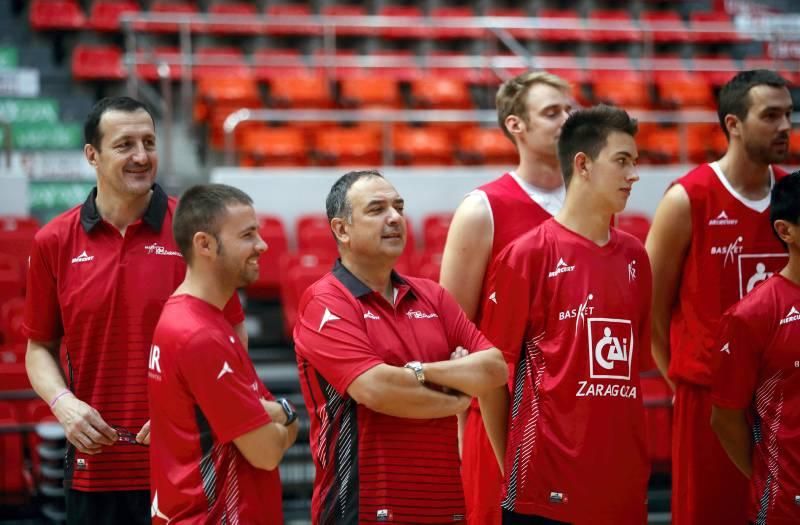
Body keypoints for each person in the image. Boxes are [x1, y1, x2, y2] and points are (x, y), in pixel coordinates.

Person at [22, 97, 246, 524]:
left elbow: (232, 335)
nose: (142, 156)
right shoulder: (54, 241)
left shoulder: (195, 232)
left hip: (185, 464)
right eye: (125, 144)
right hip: (93, 470)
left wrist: (197, 405)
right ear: (92, 154)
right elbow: (39, 348)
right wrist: (62, 402)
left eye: (149, 142)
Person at [293, 170, 509, 524]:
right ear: (342, 229)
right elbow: (377, 388)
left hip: (445, 507)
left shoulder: (433, 295)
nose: (394, 217)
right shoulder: (325, 300)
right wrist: (457, 394)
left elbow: (495, 368)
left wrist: (420, 373)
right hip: (360, 510)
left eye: (399, 207)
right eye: (377, 209)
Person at [480, 106, 650, 524]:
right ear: (583, 165)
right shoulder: (527, 255)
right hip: (543, 494)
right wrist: (517, 469)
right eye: (622, 161)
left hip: (622, 490)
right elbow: (491, 378)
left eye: (636, 162)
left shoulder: (636, 257)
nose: (634, 175)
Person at [645, 69, 793, 525]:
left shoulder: (792, 194)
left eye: (789, 114)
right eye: (770, 116)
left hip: (785, 397)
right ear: (733, 124)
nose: (786, 127)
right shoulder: (687, 199)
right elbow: (650, 309)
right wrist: (685, 385)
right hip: (709, 395)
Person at [439, 71, 573, 525]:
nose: (567, 120)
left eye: (569, 110)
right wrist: (460, 428)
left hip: (578, 408)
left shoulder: (591, 203)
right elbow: (451, 331)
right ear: (516, 125)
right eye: (552, 112)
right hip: (505, 414)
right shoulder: (483, 208)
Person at [148, 184, 298, 524]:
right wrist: (287, 413)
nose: (262, 244)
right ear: (205, 244)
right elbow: (267, 452)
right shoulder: (199, 335)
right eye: (247, 235)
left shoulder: (199, 320)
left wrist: (270, 414)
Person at [711, 171, 800, 525]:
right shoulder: (753, 315)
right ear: (786, 231)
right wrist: (773, 478)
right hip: (783, 509)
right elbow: (725, 419)